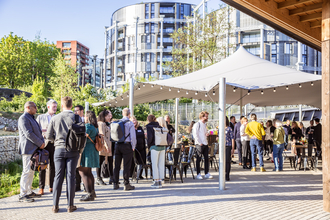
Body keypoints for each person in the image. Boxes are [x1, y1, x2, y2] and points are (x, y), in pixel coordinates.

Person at [45, 96, 80, 213]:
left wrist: (57, 140)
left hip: (59, 149)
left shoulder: (55, 118)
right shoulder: (77, 117)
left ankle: (55, 205)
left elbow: (48, 136)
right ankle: (70, 205)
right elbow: (81, 134)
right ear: (71, 105)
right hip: (73, 150)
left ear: (61, 105)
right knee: (71, 176)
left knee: (58, 176)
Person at [18, 101, 45, 203]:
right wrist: (40, 143)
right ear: (28, 107)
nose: (36, 109)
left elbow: (38, 132)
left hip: (34, 149)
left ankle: (28, 191)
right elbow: (29, 134)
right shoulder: (23, 118)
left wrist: (42, 142)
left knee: (31, 171)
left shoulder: (31, 118)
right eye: (35, 107)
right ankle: (22, 194)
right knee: (26, 171)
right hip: (28, 149)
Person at [36, 99, 57, 195]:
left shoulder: (58, 117)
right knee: (42, 165)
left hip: (54, 144)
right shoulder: (41, 117)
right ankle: (41, 188)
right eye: (53, 107)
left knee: (53, 166)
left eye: (56, 107)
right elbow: (36, 130)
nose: (55, 108)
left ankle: (52, 186)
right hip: (44, 144)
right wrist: (43, 131)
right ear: (48, 107)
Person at [113, 108, 136, 191]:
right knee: (126, 165)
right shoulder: (130, 123)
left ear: (122, 114)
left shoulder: (117, 122)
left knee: (117, 165)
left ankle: (115, 183)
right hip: (127, 146)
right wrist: (133, 146)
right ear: (129, 114)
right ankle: (126, 184)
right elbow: (133, 136)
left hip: (117, 145)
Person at [79, 111, 99, 201]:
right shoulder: (95, 127)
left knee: (83, 172)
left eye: (85, 116)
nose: (83, 117)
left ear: (88, 117)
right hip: (93, 150)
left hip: (87, 150)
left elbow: (83, 137)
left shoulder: (87, 126)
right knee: (89, 172)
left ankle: (89, 193)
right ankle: (92, 192)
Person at [192, 111, 213, 180]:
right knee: (199, 159)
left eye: (207, 116)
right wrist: (199, 142)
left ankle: (206, 173)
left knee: (207, 159)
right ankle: (198, 173)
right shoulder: (197, 124)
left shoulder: (204, 124)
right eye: (206, 116)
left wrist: (207, 134)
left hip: (205, 143)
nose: (207, 117)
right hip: (200, 144)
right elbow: (195, 134)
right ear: (202, 117)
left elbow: (204, 133)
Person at [148, 116, 167, 188]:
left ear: (148, 120)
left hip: (154, 147)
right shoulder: (159, 126)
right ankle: (160, 181)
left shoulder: (149, 126)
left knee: (154, 165)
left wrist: (149, 145)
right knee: (161, 164)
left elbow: (150, 138)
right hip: (162, 146)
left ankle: (156, 181)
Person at [96, 109, 112, 185]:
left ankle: (100, 178)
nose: (110, 117)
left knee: (102, 162)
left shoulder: (105, 124)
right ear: (104, 116)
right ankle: (98, 178)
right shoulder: (101, 124)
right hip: (102, 146)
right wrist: (106, 146)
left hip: (105, 146)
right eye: (108, 116)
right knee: (99, 162)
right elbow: (102, 135)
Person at [74, 105, 84, 191]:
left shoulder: (85, 120)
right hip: (76, 146)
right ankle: (77, 185)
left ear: (82, 111)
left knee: (84, 167)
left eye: (77, 110)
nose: (75, 112)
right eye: (74, 111)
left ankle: (86, 186)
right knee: (76, 167)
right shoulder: (74, 120)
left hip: (84, 147)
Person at [225, 116, 235, 181]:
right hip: (222, 146)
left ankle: (227, 175)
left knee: (227, 161)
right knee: (223, 161)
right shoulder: (220, 129)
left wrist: (233, 148)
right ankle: (223, 173)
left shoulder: (229, 129)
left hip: (228, 146)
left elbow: (232, 138)